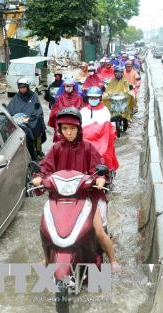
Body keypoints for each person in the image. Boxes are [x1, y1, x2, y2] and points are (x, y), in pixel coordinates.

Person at [31, 108, 119, 272]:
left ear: (79, 128)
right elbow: (45, 168)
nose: (69, 132)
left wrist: (100, 178)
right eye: (65, 129)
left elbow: (100, 167)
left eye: (72, 128)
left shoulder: (88, 148)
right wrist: (38, 177)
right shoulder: (56, 148)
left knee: (99, 231)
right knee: (46, 229)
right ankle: (47, 256)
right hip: (60, 198)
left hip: (87, 196)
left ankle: (113, 260)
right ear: (60, 130)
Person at [80, 87, 119, 171]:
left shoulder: (105, 111)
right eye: (91, 98)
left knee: (104, 153)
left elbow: (109, 128)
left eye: (95, 98)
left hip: (101, 140)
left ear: (100, 98)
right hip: (85, 140)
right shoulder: (83, 111)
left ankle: (106, 173)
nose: (93, 99)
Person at [6, 78, 46, 160]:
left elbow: (37, 110)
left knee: (37, 129)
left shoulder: (33, 96)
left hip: (32, 120)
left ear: (27, 87)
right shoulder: (16, 97)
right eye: (20, 87)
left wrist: (27, 119)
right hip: (19, 122)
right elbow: (10, 109)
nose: (22, 89)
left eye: (24, 87)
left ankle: (38, 151)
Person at [48, 77, 83, 142]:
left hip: (74, 122)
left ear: (73, 86)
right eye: (66, 86)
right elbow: (54, 111)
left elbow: (81, 111)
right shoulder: (60, 98)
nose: (68, 88)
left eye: (70, 86)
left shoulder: (79, 98)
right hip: (62, 122)